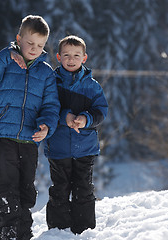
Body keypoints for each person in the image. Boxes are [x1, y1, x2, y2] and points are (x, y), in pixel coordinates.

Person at [0, 15, 60, 240]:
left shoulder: (46, 72)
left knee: (25, 190)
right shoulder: (7, 60)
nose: (34, 49)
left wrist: (47, 125)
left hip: (29, 139)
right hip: (3, 135)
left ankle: (23, 232)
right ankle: (7, 233)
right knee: (5, 187)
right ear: (19, 39)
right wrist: (6, 55)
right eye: (30, 43)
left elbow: (51, 105)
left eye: (40, 45)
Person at [44, 35, 108, 234]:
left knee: (83, 187)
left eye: (76, 55)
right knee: (60, 187)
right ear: (58, 57)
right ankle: (58, 229)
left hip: (85, 147)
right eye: (66, 55)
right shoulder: (51, 83)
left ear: (84, 58)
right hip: (58, 147)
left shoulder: (92, 86)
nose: (71, 59)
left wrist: (86, 119)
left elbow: (101, 112)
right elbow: (46, 109)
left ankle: (84, 228)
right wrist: (66, 117)